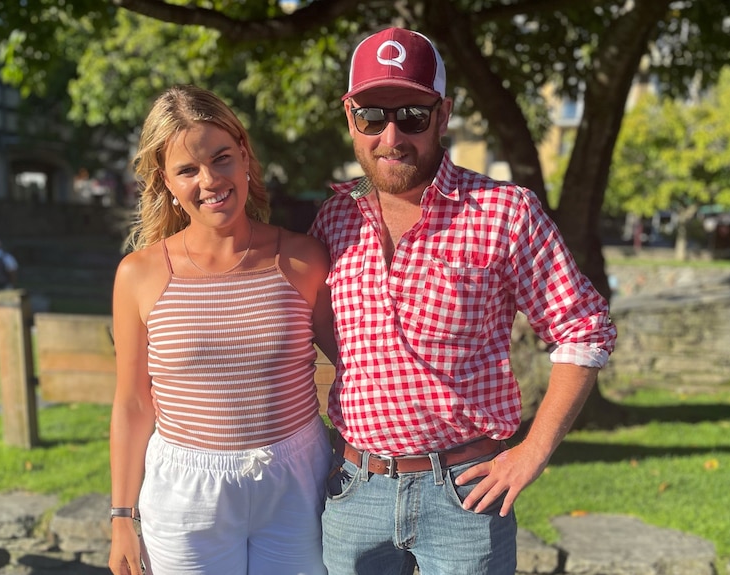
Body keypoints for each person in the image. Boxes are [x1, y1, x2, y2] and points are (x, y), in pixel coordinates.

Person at [309, 27, 618, 575]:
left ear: (444, 113)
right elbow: (329, 332)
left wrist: (532, 452)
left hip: (465, 497)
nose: (391, 136)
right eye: (372, 117)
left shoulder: (503, 212)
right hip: (353, 492)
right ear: (350, 118)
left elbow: (584, 328)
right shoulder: (334, 219)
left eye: (412, 114)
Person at [108, 85, 336, 575]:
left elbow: (357, 366)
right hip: (186, 492)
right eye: (187, 170)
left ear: (245, 156)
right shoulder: (138, 275)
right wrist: (122, 518)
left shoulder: (303, 258)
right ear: (165, 180)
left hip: (296, 479)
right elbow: (131, 402)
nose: (210, 180)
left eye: (222, 158)